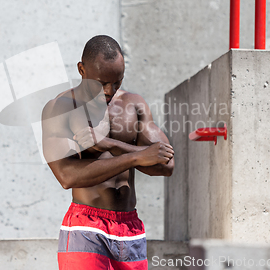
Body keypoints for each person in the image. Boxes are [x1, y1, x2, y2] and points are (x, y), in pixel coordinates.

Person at [41, 35, 174, 270]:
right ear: (81, 69)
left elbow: (165, 165)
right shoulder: (61, 108)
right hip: (86, 226)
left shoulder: (134, 104)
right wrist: (136, 156)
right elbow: (67, 176)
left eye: (117, 81)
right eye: (101, 82)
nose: (109, 90)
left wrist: (112, 145)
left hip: (130, 228)